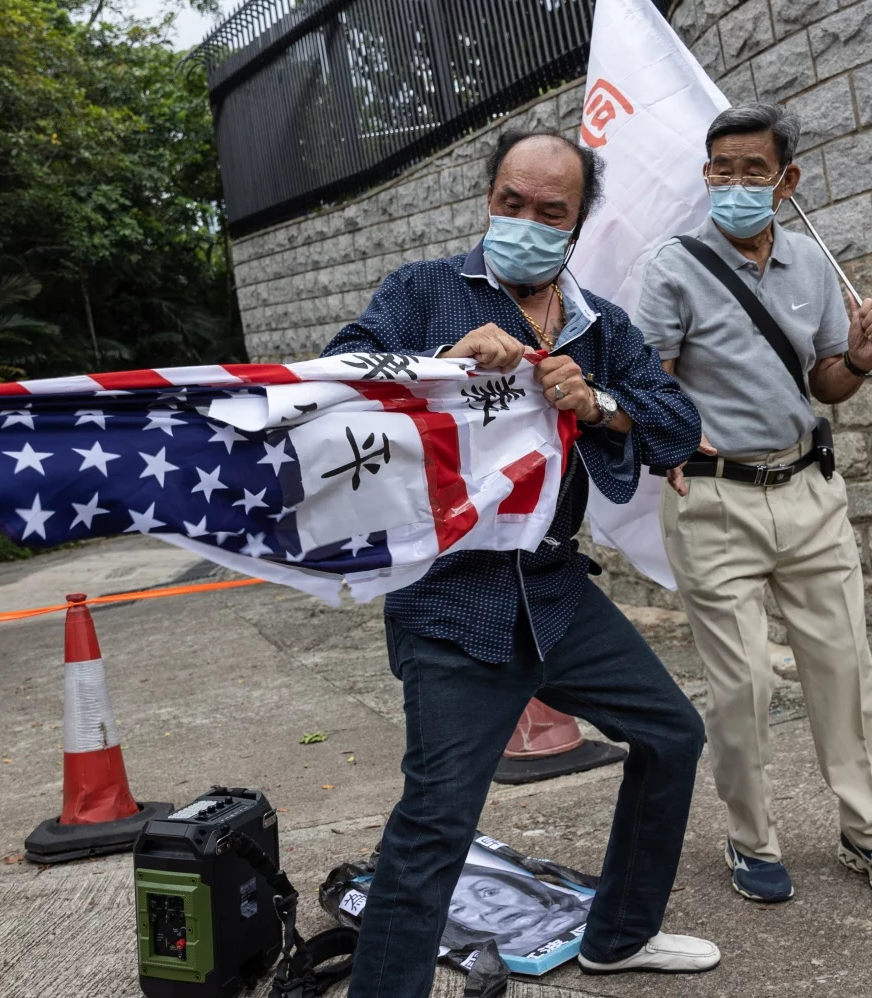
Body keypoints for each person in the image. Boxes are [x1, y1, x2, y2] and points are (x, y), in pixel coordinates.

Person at [322, 130, 720, 997]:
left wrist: (600, 402)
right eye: (512, 203)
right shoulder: (423, 292)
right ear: (489, 197)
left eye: (551, 212)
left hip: (553, 590)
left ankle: (617, 936)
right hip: (449, 598)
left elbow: (675, 427)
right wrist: (444, 360)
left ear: (577, 225)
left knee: (672, 732)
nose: (527, 223)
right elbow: (336, 376)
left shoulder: (598, 326)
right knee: (436, 819)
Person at [637, 102, 872, 904]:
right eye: (719, 169)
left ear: (785, 179)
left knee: (844, 668)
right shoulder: (672, 267)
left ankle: (869, 832)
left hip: (808, 490)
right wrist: (668, 436)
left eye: (751, 171)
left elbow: (824, 379)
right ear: (706, 174)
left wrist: (861, 361)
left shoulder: (809, 263)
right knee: (743, 688)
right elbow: (649, 377)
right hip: (714, 500)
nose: (732, 184)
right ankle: (751, 840)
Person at [444, 867, 590, 957]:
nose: (487, 908)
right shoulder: (502, 957)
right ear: (462, 925)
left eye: (489, 892)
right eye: (458, 909)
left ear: (529, 891)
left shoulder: (601, 911)